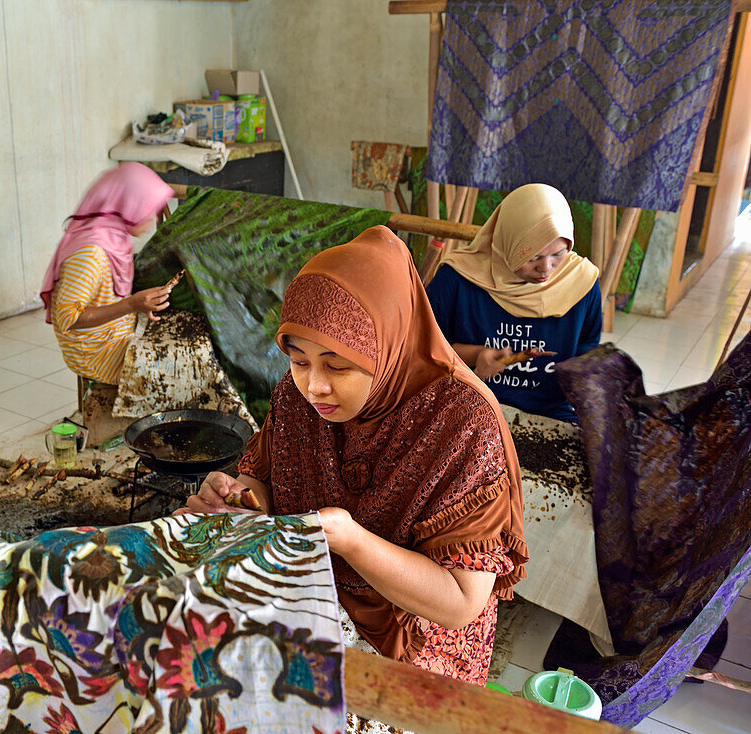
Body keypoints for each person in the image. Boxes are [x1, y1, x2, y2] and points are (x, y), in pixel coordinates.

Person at [179, 226, 528, 686]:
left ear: (387, 347)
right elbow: (266, 481)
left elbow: (460, 603)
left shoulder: (465, 425)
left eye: (337, 365)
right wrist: (241, 499)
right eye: (298, 359)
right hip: (314, 590)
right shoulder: (297, 397)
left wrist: (351, 541)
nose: (314, 386)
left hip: (414, 639)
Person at [425, 183, 602, 422]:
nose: (546, 268)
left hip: (549, 412)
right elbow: (424, 350)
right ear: (508, 242)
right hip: (469, 402)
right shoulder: (457, 278)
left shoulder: (581, 283)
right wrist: (477, 355)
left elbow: (587, 349)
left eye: (558, 254)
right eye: (532, 257)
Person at [41, 162, 176, 385]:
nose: (153, 219)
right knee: (184, 367)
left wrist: (137, 306)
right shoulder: (91, 254)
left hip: (115, 331)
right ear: (128, 205)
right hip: (95, 351)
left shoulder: (115, 236)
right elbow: (68, 318)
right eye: (148, 209)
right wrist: (132, 305)